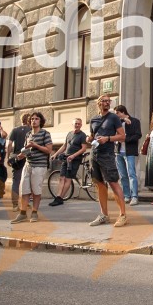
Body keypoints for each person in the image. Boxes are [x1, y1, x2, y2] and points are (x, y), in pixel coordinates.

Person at [88, 95, 128, 227]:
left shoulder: (114, 118)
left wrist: (108, 138)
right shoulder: (93, 119)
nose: (107, 103)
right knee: (99, 184)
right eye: (104, 101)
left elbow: (122, 136)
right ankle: (104, 215)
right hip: (95, 154)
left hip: (108, 155)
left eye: (108, 101)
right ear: (98, 103)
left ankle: (123, 215)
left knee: (113, 183)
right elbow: (93, 136)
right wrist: (90, 139)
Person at [11, 113, 53, 223]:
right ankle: (22, 213)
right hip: (28, 165)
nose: (34, 121)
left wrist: (36, 146)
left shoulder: (45, 133)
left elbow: (49, 150)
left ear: (40, 121)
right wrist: (22, 155)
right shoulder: (28, 134)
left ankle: (34, 213)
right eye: (32, 119)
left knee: (36, 191)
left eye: (36, 119)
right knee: (24, 190)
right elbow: (27, 149)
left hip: (39, 166)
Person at [48, 118, 89, 206]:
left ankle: (60, 198)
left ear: (81, 125)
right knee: (61, 177)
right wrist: (55, 154)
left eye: (78, 124)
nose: (77, 125)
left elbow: (84, 148)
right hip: (66, 158)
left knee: (68, 178)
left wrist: (74, 155)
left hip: (75, 159)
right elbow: (64, 145)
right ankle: (58, 197)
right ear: (73, 124)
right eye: (75, 123)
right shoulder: (69, 134)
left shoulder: (82, 135)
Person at [114, 105, 142, 206]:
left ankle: (134, 196)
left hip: (129, 151)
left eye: (117, 113)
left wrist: (125, 139)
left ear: (122, 112)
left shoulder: (134, 121)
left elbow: (138, 135)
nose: (116, 115)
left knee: (131, 174)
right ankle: (127, 195)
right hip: (118, 152)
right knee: (122, 175)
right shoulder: (117, 123)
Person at [6, 113, 31, 211]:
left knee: (16, 181)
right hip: (28, 156)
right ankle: (25, 203)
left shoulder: (15, 130)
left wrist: (8, 157)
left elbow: (9, 144)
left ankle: (15, 204)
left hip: (17, 157)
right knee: (27, 181)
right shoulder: (31, 130)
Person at [0, 120, 9, 200]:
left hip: (1, 157)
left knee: (0, 174)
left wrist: (1, 129)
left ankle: (0, 192)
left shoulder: (0, 133)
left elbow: (4, 135)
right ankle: (0, 191)